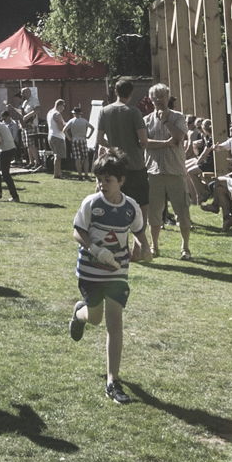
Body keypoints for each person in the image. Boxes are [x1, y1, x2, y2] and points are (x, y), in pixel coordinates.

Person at [69, 152, 152, 403]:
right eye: (100, 180)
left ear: (121, 181)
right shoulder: (92, 203)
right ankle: (79, 313)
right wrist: (95, 249)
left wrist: (143, 246)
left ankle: (112, 381)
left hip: (118, 273)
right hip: (90, 272)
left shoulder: (130, 207)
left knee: (114, 324)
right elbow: (78, 231)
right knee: (94, 319)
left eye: (108, 180)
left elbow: (139, 230)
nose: (102, 185)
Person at [139, 85, 195, 258]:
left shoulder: (178, 117)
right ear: (150, 99)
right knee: (154, 213)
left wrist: (166, 121)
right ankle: (155, 247)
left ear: (168, 97)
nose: (159, 99)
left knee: (182, 212)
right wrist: (165, 143)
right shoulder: (146, 120)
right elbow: (144, 143)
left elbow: (178, 138)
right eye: (155, 96)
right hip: (153, 173)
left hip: (175, 172)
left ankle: (185, 247)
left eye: (162, 96)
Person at [94, 80, 149, 210]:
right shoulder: (134, 112)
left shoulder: (104, 111)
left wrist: (113, 148)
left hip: (116, 164)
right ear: (131, 93)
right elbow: (143, 140)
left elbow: (100, 139)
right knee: (142, 203)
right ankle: (140, 229)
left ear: (116, 92)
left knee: (115, 202)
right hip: (135, 164)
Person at [0, 106, 24, 201]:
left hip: (6, 150)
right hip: (9, 149)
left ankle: (14, 196)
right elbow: (0, 138)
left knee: (5, 174)